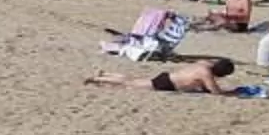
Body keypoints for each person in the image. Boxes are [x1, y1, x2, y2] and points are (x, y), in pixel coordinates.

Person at [85, 57, 240, 94]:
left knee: (132, 79)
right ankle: (98, 79)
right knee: (130, 84)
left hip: (168, 77)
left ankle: (106, 74)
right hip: (167, 84)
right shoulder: (206, 73)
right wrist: (232, 92)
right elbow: (215, 92)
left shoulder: (204, 64)